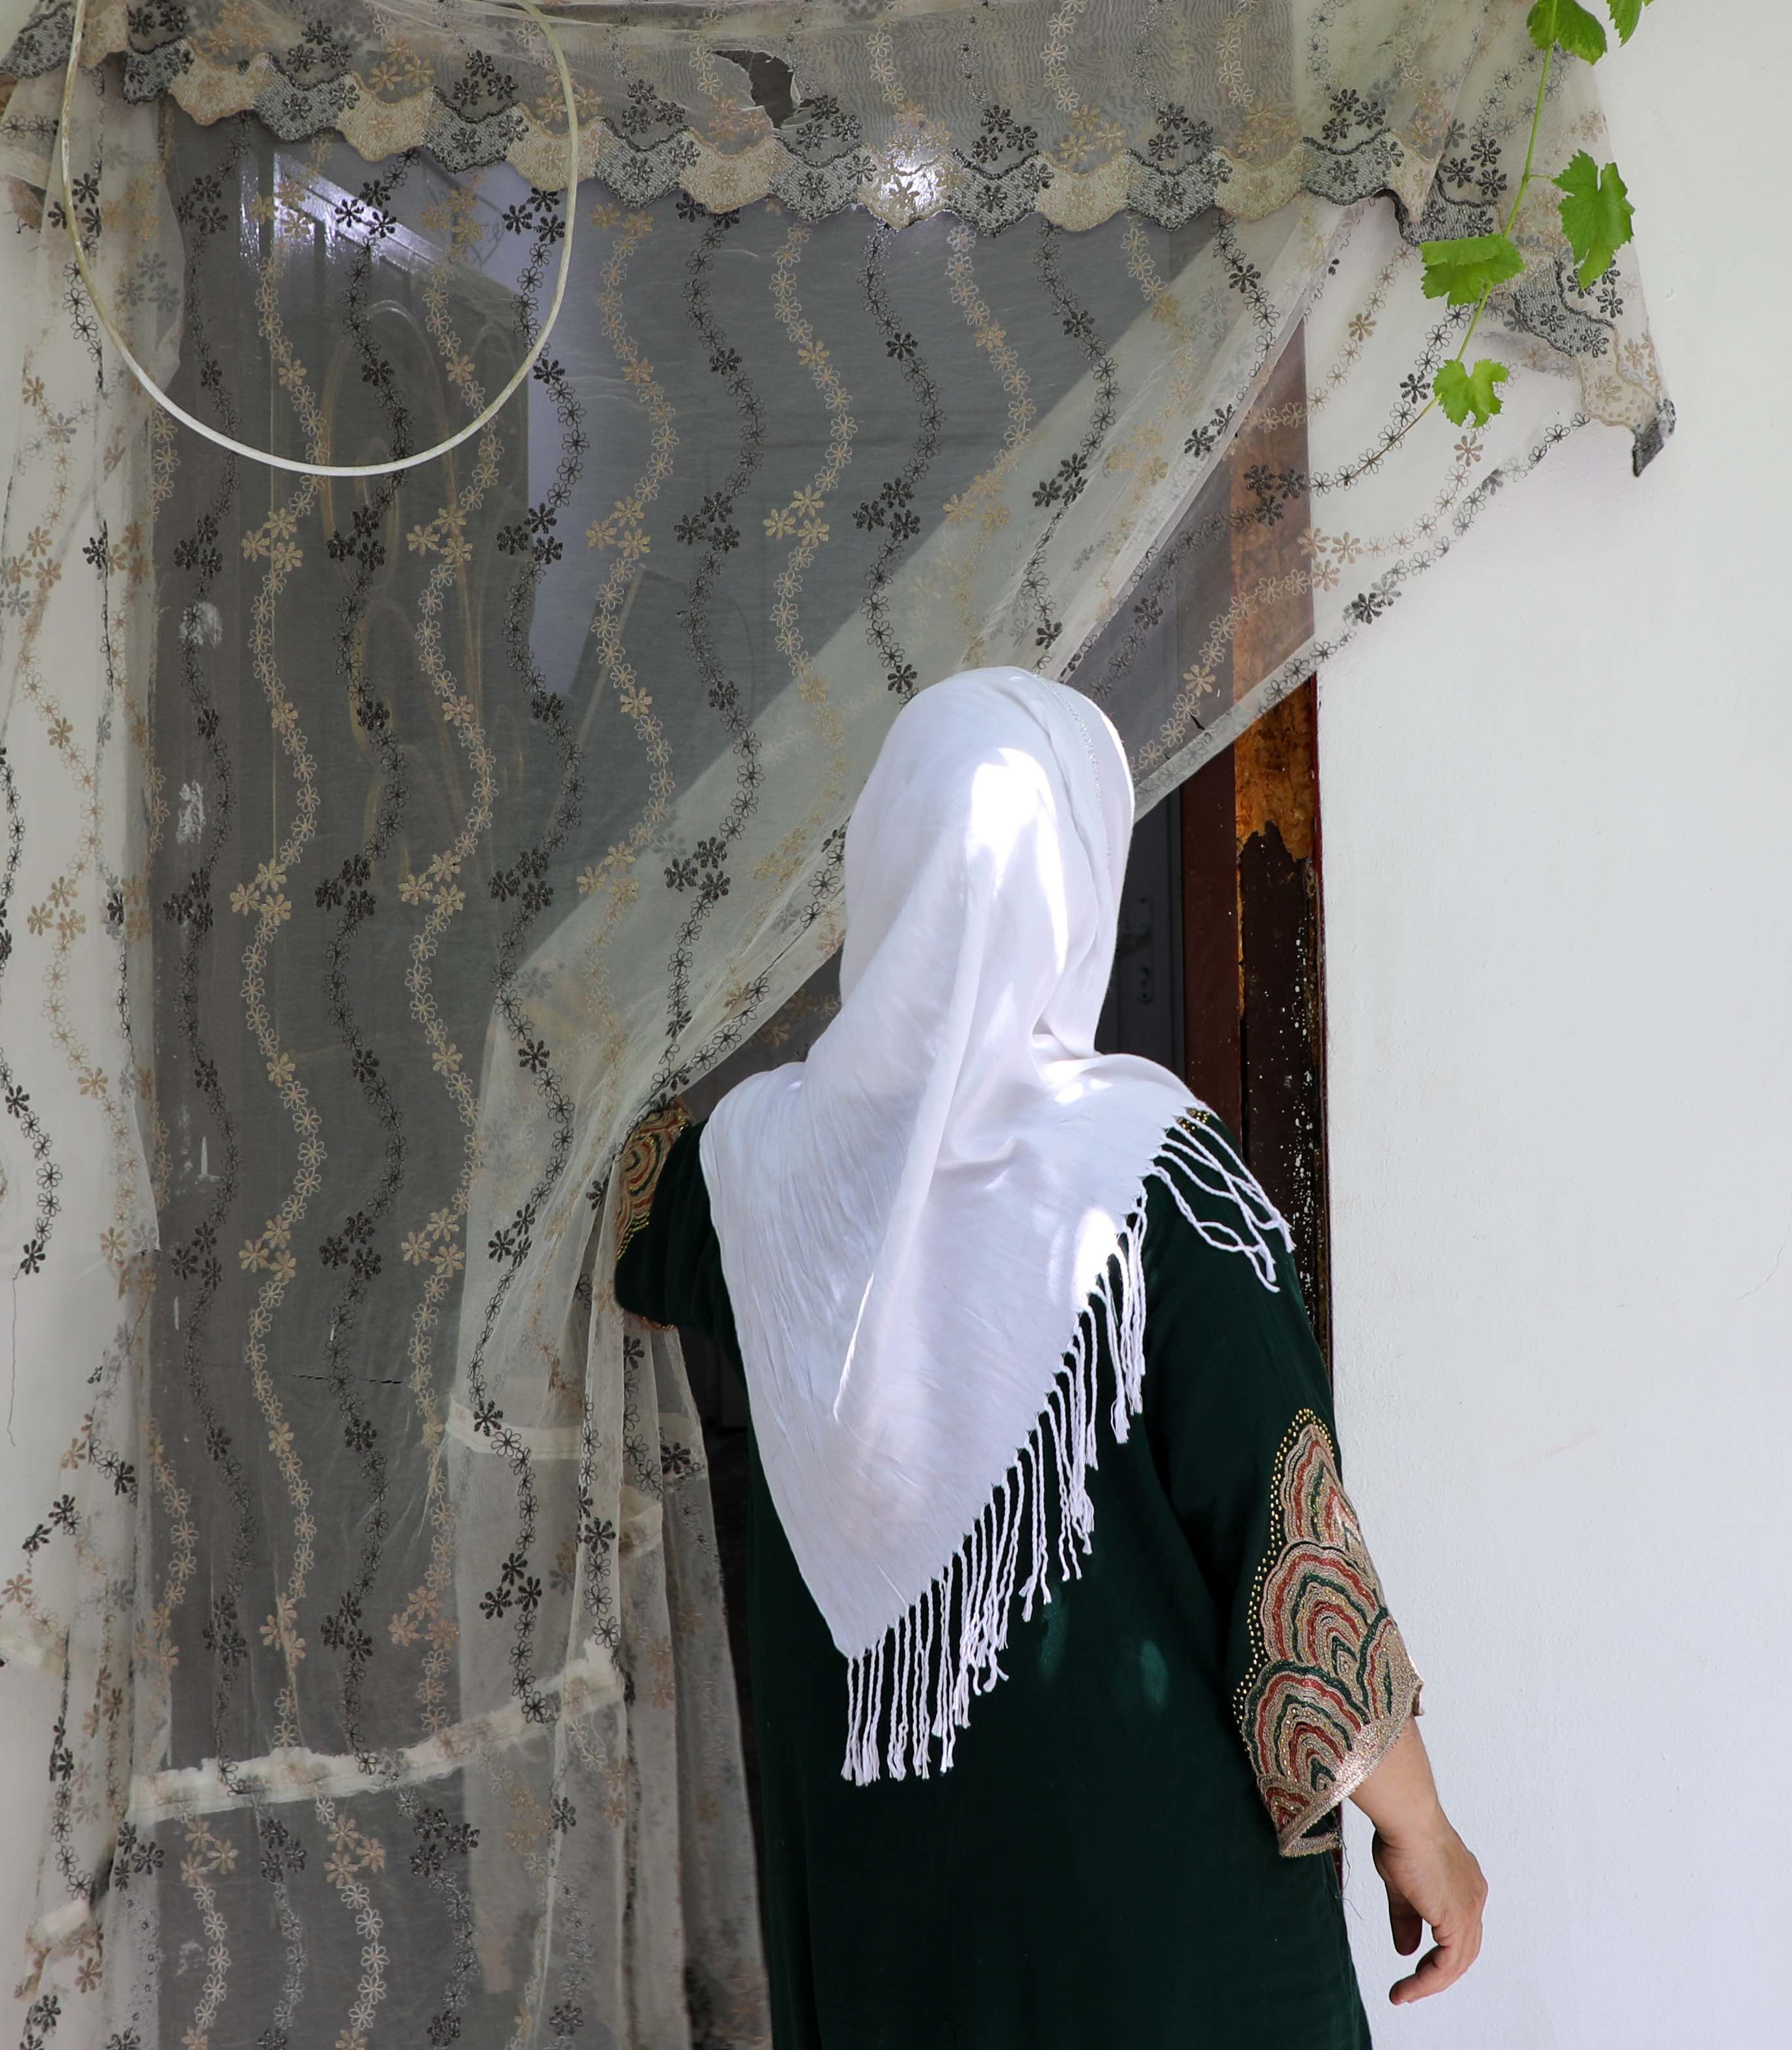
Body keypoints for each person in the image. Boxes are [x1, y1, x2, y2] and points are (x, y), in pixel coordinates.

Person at [614, 668, 1486, 2048]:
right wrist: (1424, 1827)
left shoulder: (757, 1174)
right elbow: (1292, 1548)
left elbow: (600, 1198)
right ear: (1081, 878)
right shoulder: (1149, 1188)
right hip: (1165, 1940)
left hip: (882, 1921)